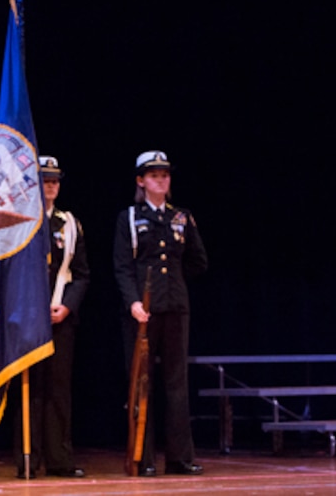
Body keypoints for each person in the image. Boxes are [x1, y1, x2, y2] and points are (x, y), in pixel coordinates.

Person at [113, 150, 208, 477]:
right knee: (142, 383)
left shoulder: (181, 217)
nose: (161, 180)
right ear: (141, 181)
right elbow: (123, 267)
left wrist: (175, 285)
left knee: (176, 384)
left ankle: (180, 457)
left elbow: (198, 260)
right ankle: (144, 456)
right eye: (154, 175)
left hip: (175, 309)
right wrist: (133, 302)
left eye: (165, 175)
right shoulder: (129, 217)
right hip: (142, 312)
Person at [14, 156, 90, 479]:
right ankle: (28, 457)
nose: (51, 185)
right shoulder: (18, 221)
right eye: (45, 179)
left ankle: (60, 458)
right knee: (30, 390)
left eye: (55, 180)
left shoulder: (69, 223)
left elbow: (82, 273)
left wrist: (67, 306)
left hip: (60, 318)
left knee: (58, 390)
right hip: (28, 319)